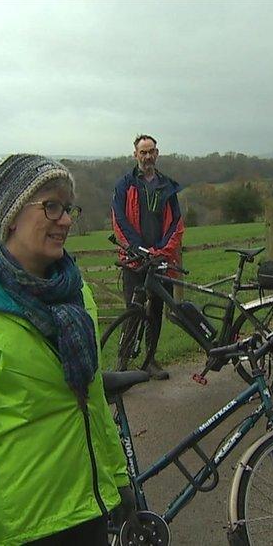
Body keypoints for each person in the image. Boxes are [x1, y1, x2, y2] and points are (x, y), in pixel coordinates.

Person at [0, 154, 137, 545]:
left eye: (67, 207)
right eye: (51, 206)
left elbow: (92, 400)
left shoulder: (75, 295)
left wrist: (120, 481)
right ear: (11, 216)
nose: (66, 219)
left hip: (88, 513)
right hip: (21, 531)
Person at [110, 134, 184, 380]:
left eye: (151, 151)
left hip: (160, 259)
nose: (147, 156)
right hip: (135, 259)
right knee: (133, 309)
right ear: (135, 155)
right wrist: (137, 248)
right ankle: (122, 363)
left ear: (157, 153)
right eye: (143, 152)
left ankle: (150, 360)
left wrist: (160, 251)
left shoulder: (167, 187)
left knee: (156, 309)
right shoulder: (125, 185)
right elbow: (119, 220)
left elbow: (176, 223)